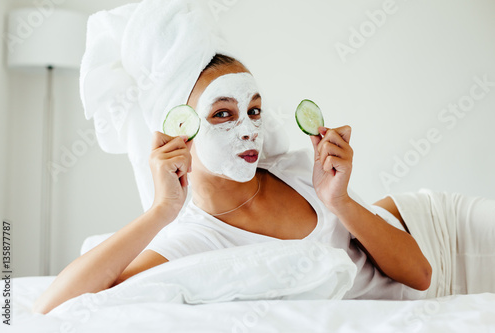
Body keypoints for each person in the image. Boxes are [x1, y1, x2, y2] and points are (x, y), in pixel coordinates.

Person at [33, 1, 494, 315]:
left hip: (434, 223)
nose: (248, 127)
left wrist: (339, 200)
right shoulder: (194, 239)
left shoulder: (294, 170)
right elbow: (53, 305)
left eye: (253, 110)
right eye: (223, 114)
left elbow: (419, 271)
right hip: (430, 296)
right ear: (180, 133)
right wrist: (160, 211)